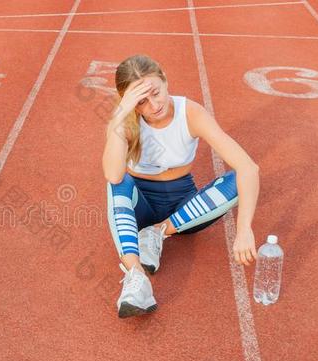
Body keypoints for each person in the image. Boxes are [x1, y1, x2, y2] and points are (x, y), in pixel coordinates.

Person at [103, 54, 260, 318]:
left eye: (155, 93)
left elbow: (248, 168)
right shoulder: (126, 122)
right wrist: (120, 115)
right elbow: (113, 173)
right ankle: (136, 277)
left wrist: (244, 229)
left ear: (164, 79)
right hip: (139, 201)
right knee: (117, 182)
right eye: (141, 102)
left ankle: (158, 231)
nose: (153, 106)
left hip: (182, 209)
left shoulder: (191, 113)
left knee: (237, 181)